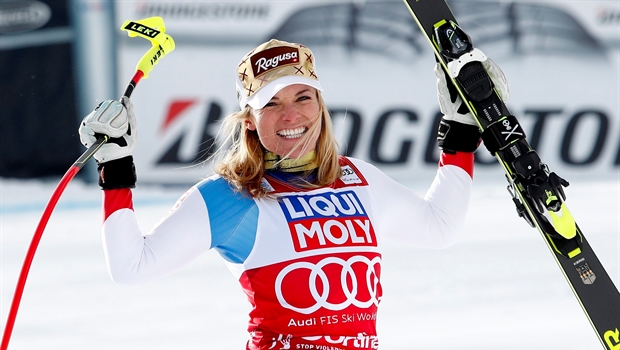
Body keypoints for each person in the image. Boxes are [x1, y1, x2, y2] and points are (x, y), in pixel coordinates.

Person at [79, 39, 508, 350]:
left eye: (303, 97)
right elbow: (130, 267)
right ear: (249, 120)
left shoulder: (358, 179)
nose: (291, 115)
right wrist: (116, 168)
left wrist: (461, 136)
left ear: (320, 105)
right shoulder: (231, 197)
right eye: (271, 104)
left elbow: (439, 227)